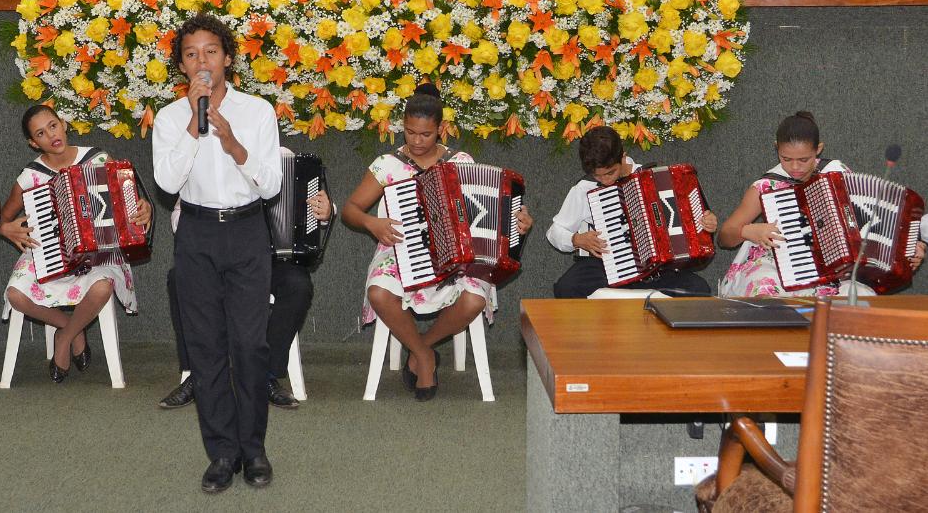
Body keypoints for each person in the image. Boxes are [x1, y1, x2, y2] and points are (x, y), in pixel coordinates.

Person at [152, 12, 282, 493]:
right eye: (191, 54)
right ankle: (222, 453)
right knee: (205, 350)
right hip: (197, 236)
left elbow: (270, 183)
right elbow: (166, 183)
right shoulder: (169, 118)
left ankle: (255, 449)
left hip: (247, 231)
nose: (202, 61)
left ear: (227, 58)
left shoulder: (258, 111)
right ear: (182, 67)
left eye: (210, 51)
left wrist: (231, 142)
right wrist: (194, 122)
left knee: (250, 347)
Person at [341, 84, 534, 401]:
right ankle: (426, 357)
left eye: (425, 134)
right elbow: (350, 210)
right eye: (410, 132)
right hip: (399, 250)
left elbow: (485, 211)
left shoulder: (460, 162)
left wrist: (519, 220)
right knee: (378, 291)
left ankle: (421, 348)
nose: (416, 142)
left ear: (441, 129)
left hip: (456, 254)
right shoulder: (387, 165)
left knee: (473, 299)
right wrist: (371, 223)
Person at [159, 146, 334, 411]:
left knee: (297, 286)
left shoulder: (283, 157)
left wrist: (325, 212)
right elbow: (179, 213)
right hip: (218, 255)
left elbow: (316, 204)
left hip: (274, 259)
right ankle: (199, 375)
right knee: (179, 278)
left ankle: (267, 375)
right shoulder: (205, 155)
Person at [0, 105, 151, 382]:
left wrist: (144, 209)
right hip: (48, 252)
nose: (51, 135)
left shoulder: (98, 159)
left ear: (63, 124)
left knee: (103, 285)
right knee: (15, 295)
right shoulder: (30, 176)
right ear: (33, 143)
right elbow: (2, 220)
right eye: (41, 133)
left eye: (53, 126)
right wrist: (7, 230)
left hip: (101, 252)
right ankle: (73, 329)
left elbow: (131, 208)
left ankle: (64, 338)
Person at [717, 111, 924, 296]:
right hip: (776, 265)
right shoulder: (766, 186)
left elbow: (870, 223)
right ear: (776, 148)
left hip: (835, 272)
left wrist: (909, 248)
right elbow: (725, 236)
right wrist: (749, 231)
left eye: (804, 159)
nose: (795, 167)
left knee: (859, 296)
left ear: (819, 149)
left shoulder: (837, 174)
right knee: (763, 288)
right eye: (786, 159)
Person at [546, 125, 715, 298]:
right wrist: (576, 239)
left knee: (698, 290)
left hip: (655, 269)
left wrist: (707, 224)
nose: (605, 180)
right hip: (603, 265)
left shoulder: (656, 179)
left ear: (623, 157)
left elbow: (693, 221)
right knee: (566, 287)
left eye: (610, 173)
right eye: (598, 176)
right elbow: (554, 232)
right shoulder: (584, 188)